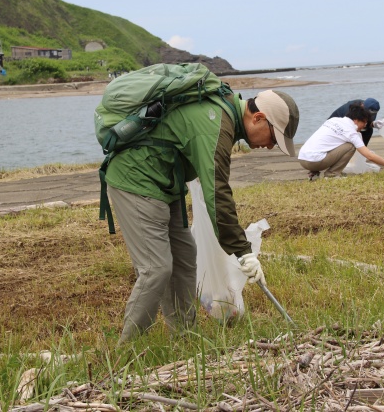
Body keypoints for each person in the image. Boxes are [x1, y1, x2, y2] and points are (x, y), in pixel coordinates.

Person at [105, 89, 299, 343]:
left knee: (185, 258)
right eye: (273, 138)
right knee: (157, 268)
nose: (270, 146)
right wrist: (243, 252)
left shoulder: (224, 115)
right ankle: (128, 352)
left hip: (165, 182)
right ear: (258, 118)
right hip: (137, 178)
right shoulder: (218, 124)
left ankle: (185, 339)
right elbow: (217, 193)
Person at [298, 103, 384, 180]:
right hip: (315, 162)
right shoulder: (351, 132)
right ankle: (332, 175)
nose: (365, 126)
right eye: (365, 122)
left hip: (302, 159)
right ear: (357, 120)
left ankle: (314, 174)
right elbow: (369, 156)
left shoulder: (333, 120)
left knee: (327, 144)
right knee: (351, 146)